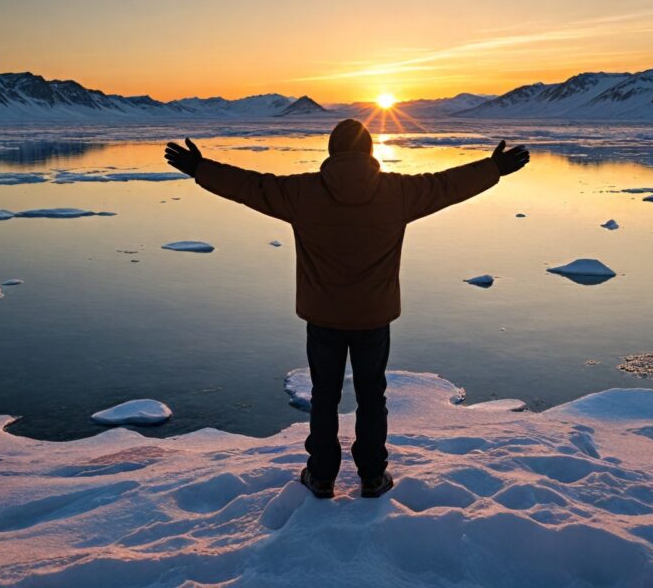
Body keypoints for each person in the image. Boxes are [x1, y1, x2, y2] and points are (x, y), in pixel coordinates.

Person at [164, 119, 529, 499]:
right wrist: (493, 168)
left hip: (323, 318)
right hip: (374, 317)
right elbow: (446, 185)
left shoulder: (302, 192)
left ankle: (321, 476)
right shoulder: (398, 191)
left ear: (332, 152)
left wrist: (199, 168)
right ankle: (372, 476)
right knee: (372, 396)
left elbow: (250, 186)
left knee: (325, 396)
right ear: (369, 152)